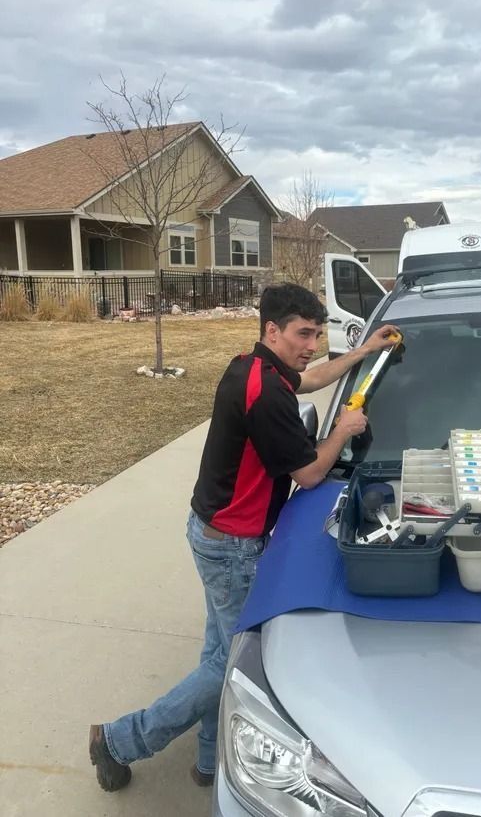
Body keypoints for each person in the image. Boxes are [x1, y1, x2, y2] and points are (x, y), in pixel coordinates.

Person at [89, 282, 399, 792]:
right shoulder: (267, 394)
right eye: (303, 333)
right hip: (231, 544)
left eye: (318, 334)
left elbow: (312, 376)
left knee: (218, 651)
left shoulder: (252, 366)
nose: (311, 344)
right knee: (232, 668)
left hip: (213, 532)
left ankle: (208, 760)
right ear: (272, 330)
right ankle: (121, 740)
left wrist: (363, 351)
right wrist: (343, 429)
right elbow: (310, 474)